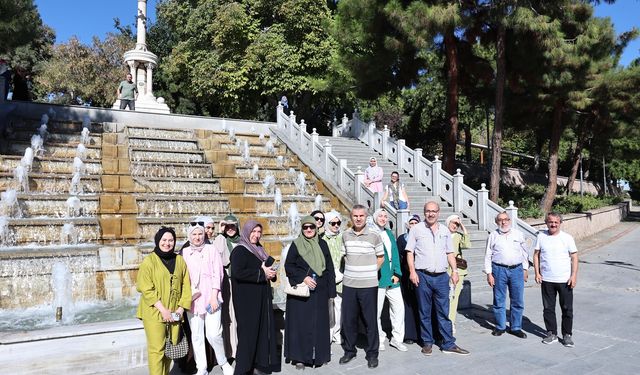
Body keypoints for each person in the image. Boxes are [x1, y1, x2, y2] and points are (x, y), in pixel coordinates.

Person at [405, 201, 470, 356]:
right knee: (424, 311)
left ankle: (448, 343)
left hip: (441, 277)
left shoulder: (445, 231)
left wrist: (454, 271)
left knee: (443, 311)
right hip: (423, 276)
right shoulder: (417, 230)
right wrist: (412, 272)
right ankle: (427, 343)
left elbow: (450, 253)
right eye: (428, 211)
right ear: (424, 212)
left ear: (438, 213)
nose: (431, 213)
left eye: (434, 211)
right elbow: (409, 252)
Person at [136, 226, 192, 375]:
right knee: (156, 350)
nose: (167, 243)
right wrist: (163, 310)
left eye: (171, 240)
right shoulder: (149, 262)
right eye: (164, 240)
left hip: (175, 312)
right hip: (154, 312)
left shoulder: (179, 260)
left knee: (169, 349)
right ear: (157, 241)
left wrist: (180, 309)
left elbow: (186, 286)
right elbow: (145, 288)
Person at [284, 216, 336, 369]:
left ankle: (319, 355)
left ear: (316, 228)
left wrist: (331, 291)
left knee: (319, 324)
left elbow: (330, 268)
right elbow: (289, 266)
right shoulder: (296, 244)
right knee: (301, 324)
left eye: (311, 227)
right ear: (302, 228)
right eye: (305, 227)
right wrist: (303, 278)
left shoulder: (323, 244)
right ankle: (300, 358)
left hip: (320, 291)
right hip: (301, 293)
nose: (308, 230)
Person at [182, 222, 234, 375]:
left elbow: (218, 274)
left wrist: (213, 296)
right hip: (193, 300)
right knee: (196, 335)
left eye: (199, 234)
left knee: (214, 333)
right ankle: (201, 367)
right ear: (189, 236)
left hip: (211, 297)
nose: (197, 237)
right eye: (194, 234)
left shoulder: (211, 249)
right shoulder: (184, 253)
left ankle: (223, 362)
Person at [231, 220, 280, 375]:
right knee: (247, 336)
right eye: (253, 231)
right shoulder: (240, 250)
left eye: (259, 232)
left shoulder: (258, 249)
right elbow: (238, 273)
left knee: (260, 332)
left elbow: (265, 270)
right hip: (247, 303)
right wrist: (261, 274)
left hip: (260, 300)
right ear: (246, 232)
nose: (256, 235)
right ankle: (242, 369)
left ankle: (258, 364)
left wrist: (271, 274)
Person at [339, 205, 384, 369]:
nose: (358, 218)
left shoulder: (374, 235)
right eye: (355, 216)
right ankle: (349, 351)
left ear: (366, 217)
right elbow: (344, 256)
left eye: (361, 216)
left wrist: (371, 272)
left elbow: (381, 257)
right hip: (350, 284)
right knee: (349, 320)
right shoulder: (345, 235)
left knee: (370, 321)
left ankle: (373, 354)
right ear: (351, 217)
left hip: (368, 284)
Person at [533, 212, 578, 347]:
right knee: (548, 308)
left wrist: (574, 275)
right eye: (550, 222)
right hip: (547, 280)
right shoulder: (541, 237)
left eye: (556, 222)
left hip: (565, 280)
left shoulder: (567, 238)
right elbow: (536, 255)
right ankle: (551, 333)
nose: (553, 224)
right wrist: (537, 273)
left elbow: (574, 257)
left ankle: (567, 335)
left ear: (560, 223)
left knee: (567, 309)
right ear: (546, 223)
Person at [483, 212, 529, 339]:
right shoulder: (493, 235)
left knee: (517, 300)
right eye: (500, 220)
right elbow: (488, 255)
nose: (504, 222)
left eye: (506, 219)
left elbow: (525, 253)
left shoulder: (518, 234)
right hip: (498, 270)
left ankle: (516, 327)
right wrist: (489, 273)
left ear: (510, 220)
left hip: (517, 270)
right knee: (499, 299)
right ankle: (500, 326)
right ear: (496, 222)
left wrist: (525, 269)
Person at [371, 209, 406, 352]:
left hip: (392, 278)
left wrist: (397, 272)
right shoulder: (371, 233)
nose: (383, 218)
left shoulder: (389, 233)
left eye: (385, 216)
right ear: (375, 218)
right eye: (380, 216)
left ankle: (397, 339)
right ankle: (379, 339)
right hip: (378, 278)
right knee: (376, 311)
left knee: (398, 309)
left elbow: (395, 254)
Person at [212, 214, 241, 357]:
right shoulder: (221, 240)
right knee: (230, 317)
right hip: (228, 282)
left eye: (232, 226)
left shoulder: (243, 241)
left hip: (242, 283)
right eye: (227, 226)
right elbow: (219, 259)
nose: (230, 229)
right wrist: (219, 232)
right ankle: (231, 352)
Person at [396, 214, 421, 344]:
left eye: (416, 223)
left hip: (421, 275)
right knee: (408, 304)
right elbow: (397, 256)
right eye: (411, 223)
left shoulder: (423, 237)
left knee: (422, 304)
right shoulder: (402, 239)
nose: (413, 225)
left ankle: (423, 333)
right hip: (406, 276)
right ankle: (410, 334)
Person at [322, 210, 345, 345]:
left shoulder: (342, 237)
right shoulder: (322, 238)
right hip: (327, 278)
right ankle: (328, 335)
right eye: (333, 223)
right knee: (328, 308)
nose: (336, 225)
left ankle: (337, 333)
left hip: (342, 276)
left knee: (339, 307)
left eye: (338, 223)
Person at [446, 214, 471, 333]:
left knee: (454, 297)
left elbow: (467, 245)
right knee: (444, 297)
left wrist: (463, 227)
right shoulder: (443, 234)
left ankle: (451, 322)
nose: (455, 226)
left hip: (457, 271)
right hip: (444, 269)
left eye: (457, 224)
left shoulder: (459, 236)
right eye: (453, 223)